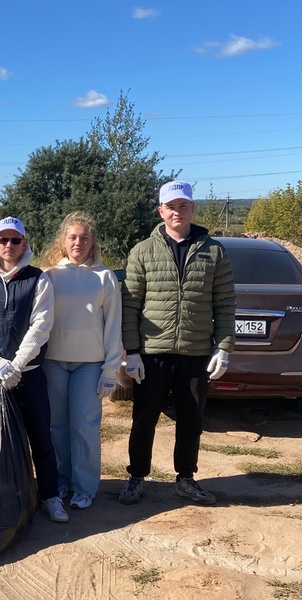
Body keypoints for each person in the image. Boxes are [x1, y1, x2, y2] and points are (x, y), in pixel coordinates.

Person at [119, 180, 235, 506]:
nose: (177, 212)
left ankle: (186, 478)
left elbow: (225, 303)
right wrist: (132, 352)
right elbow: (130, 305)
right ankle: (136, 476)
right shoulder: (142, 251)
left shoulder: (214, 251)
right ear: (161, 210)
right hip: (152, 353)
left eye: (183, 206)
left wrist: (224, 347)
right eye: (171, 206)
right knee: (144, 419)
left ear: (192, 209)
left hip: (196, 353)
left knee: (191, 420)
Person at [0, 216, 68, 523]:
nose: (9, 246)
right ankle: (4, 497)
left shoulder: (39, 279)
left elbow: (40, 327)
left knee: (40, 436)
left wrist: (17, 366)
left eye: (15, 240)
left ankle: (49, 495)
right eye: (3, 240)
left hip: (30, 374)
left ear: (24, 243)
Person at [40, 211, 123, 510]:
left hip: (89, 365)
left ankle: (85, 487)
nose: (78, 242)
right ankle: (61, 481)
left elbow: (114, 324)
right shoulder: (48, 275)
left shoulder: (105, 277)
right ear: (63, 241)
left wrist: (110, 369)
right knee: (57, 427)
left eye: (84, 238)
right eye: (73, 237)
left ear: (92, 243)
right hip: (53, 362)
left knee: (85, 427)